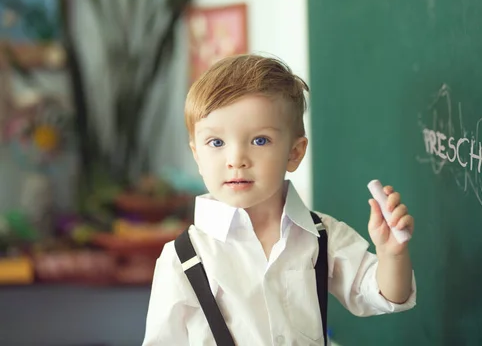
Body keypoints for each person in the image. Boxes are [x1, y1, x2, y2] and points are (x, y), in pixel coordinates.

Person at [142, 54, 416, 345]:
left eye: (260, 140)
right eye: (216, 142)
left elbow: (386, 296)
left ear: (294, 153)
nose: (236, 159)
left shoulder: (322, 234)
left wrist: (392, 254)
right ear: (197, 155)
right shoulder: (182, 258)